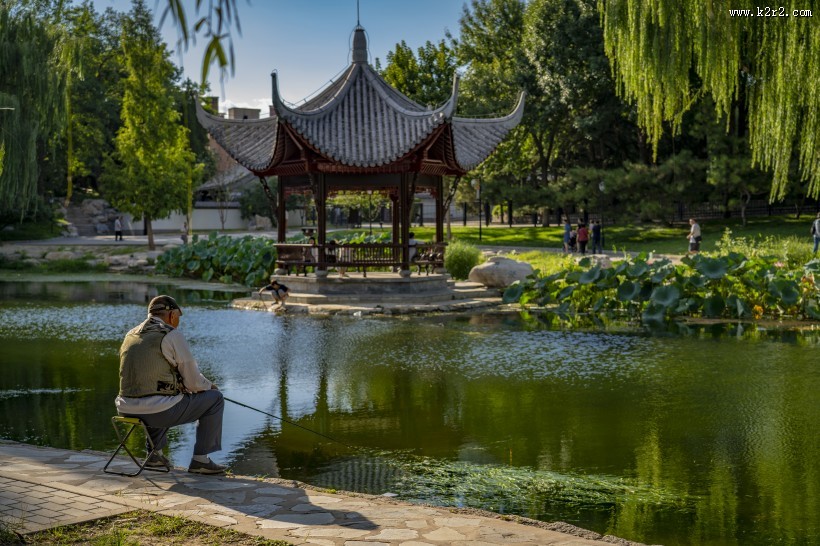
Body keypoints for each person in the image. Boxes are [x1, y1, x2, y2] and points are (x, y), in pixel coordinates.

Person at [115, 295, 227, 475]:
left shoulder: (130, 334)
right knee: (215, 399)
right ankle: (201, 460)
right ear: (172, 315)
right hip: (157, 413)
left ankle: (154, 456)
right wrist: (210, 386)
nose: (178, 322)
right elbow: (193, 382)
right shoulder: (172, 335)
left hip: (125, 408)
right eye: (178, 318)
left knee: (160, 398)